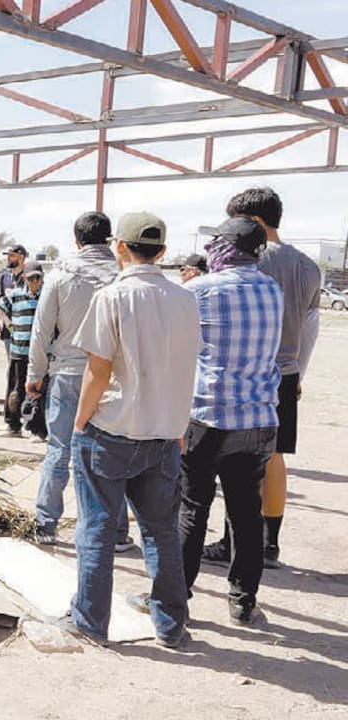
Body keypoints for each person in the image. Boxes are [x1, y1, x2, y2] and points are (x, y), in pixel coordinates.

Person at [67, 211, 201, 649]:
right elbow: (186, 367)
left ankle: (89, 621)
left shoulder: (113, 297)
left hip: (112, 429)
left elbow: (98, 370)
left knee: (97, 529)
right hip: (164, 433)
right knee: (160, 531)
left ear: (120, 247)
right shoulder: (185, 299)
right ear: (161, 252)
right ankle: (170, 623)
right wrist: (177, 423)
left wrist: (81, 419)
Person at [204, 187, 321, 570]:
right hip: (286, 372)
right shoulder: (308, 266)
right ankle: (270, 545)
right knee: (274, 456)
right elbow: (310, 328)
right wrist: (299, 372)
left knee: (236, 460)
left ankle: (231, 542)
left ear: (251, 222)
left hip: (248, 371)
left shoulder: (249, 260)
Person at [176, 217, 282, 626]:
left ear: (225, 248)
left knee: (192, 508)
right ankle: (243, 601)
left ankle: (177, 597)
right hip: (258, 419)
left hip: (208, 415)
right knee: (245, 512)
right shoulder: (274, 290)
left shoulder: (199, 290)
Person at [26, 212, 133, 551]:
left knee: (59, 450)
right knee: (111, 455)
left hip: (68, 375)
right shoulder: (122, 276)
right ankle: (115, 531)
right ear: (110, 239)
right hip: (112, 379)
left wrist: (35, 374)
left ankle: (45, 524)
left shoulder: (60, 277)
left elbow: (42, 331)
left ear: (76, 241)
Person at [0, 261, 43, 438]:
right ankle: (12, 425)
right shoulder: (15, 295)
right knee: (15, 389)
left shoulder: (47, 296)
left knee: (38, 391)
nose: (35, 282)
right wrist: (9, 325)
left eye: (38, 278)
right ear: (24, 278)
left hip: (40, 353)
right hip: (18, 350)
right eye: (31, 278)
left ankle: (37, 429)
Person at [0, 244, 28, 355]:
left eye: (12, 255)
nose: (8, 258)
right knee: (12, 363)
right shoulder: (4, 277)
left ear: (21, 257)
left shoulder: (30, 276)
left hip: (26, 329)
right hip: (8, 329)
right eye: (8, 255)